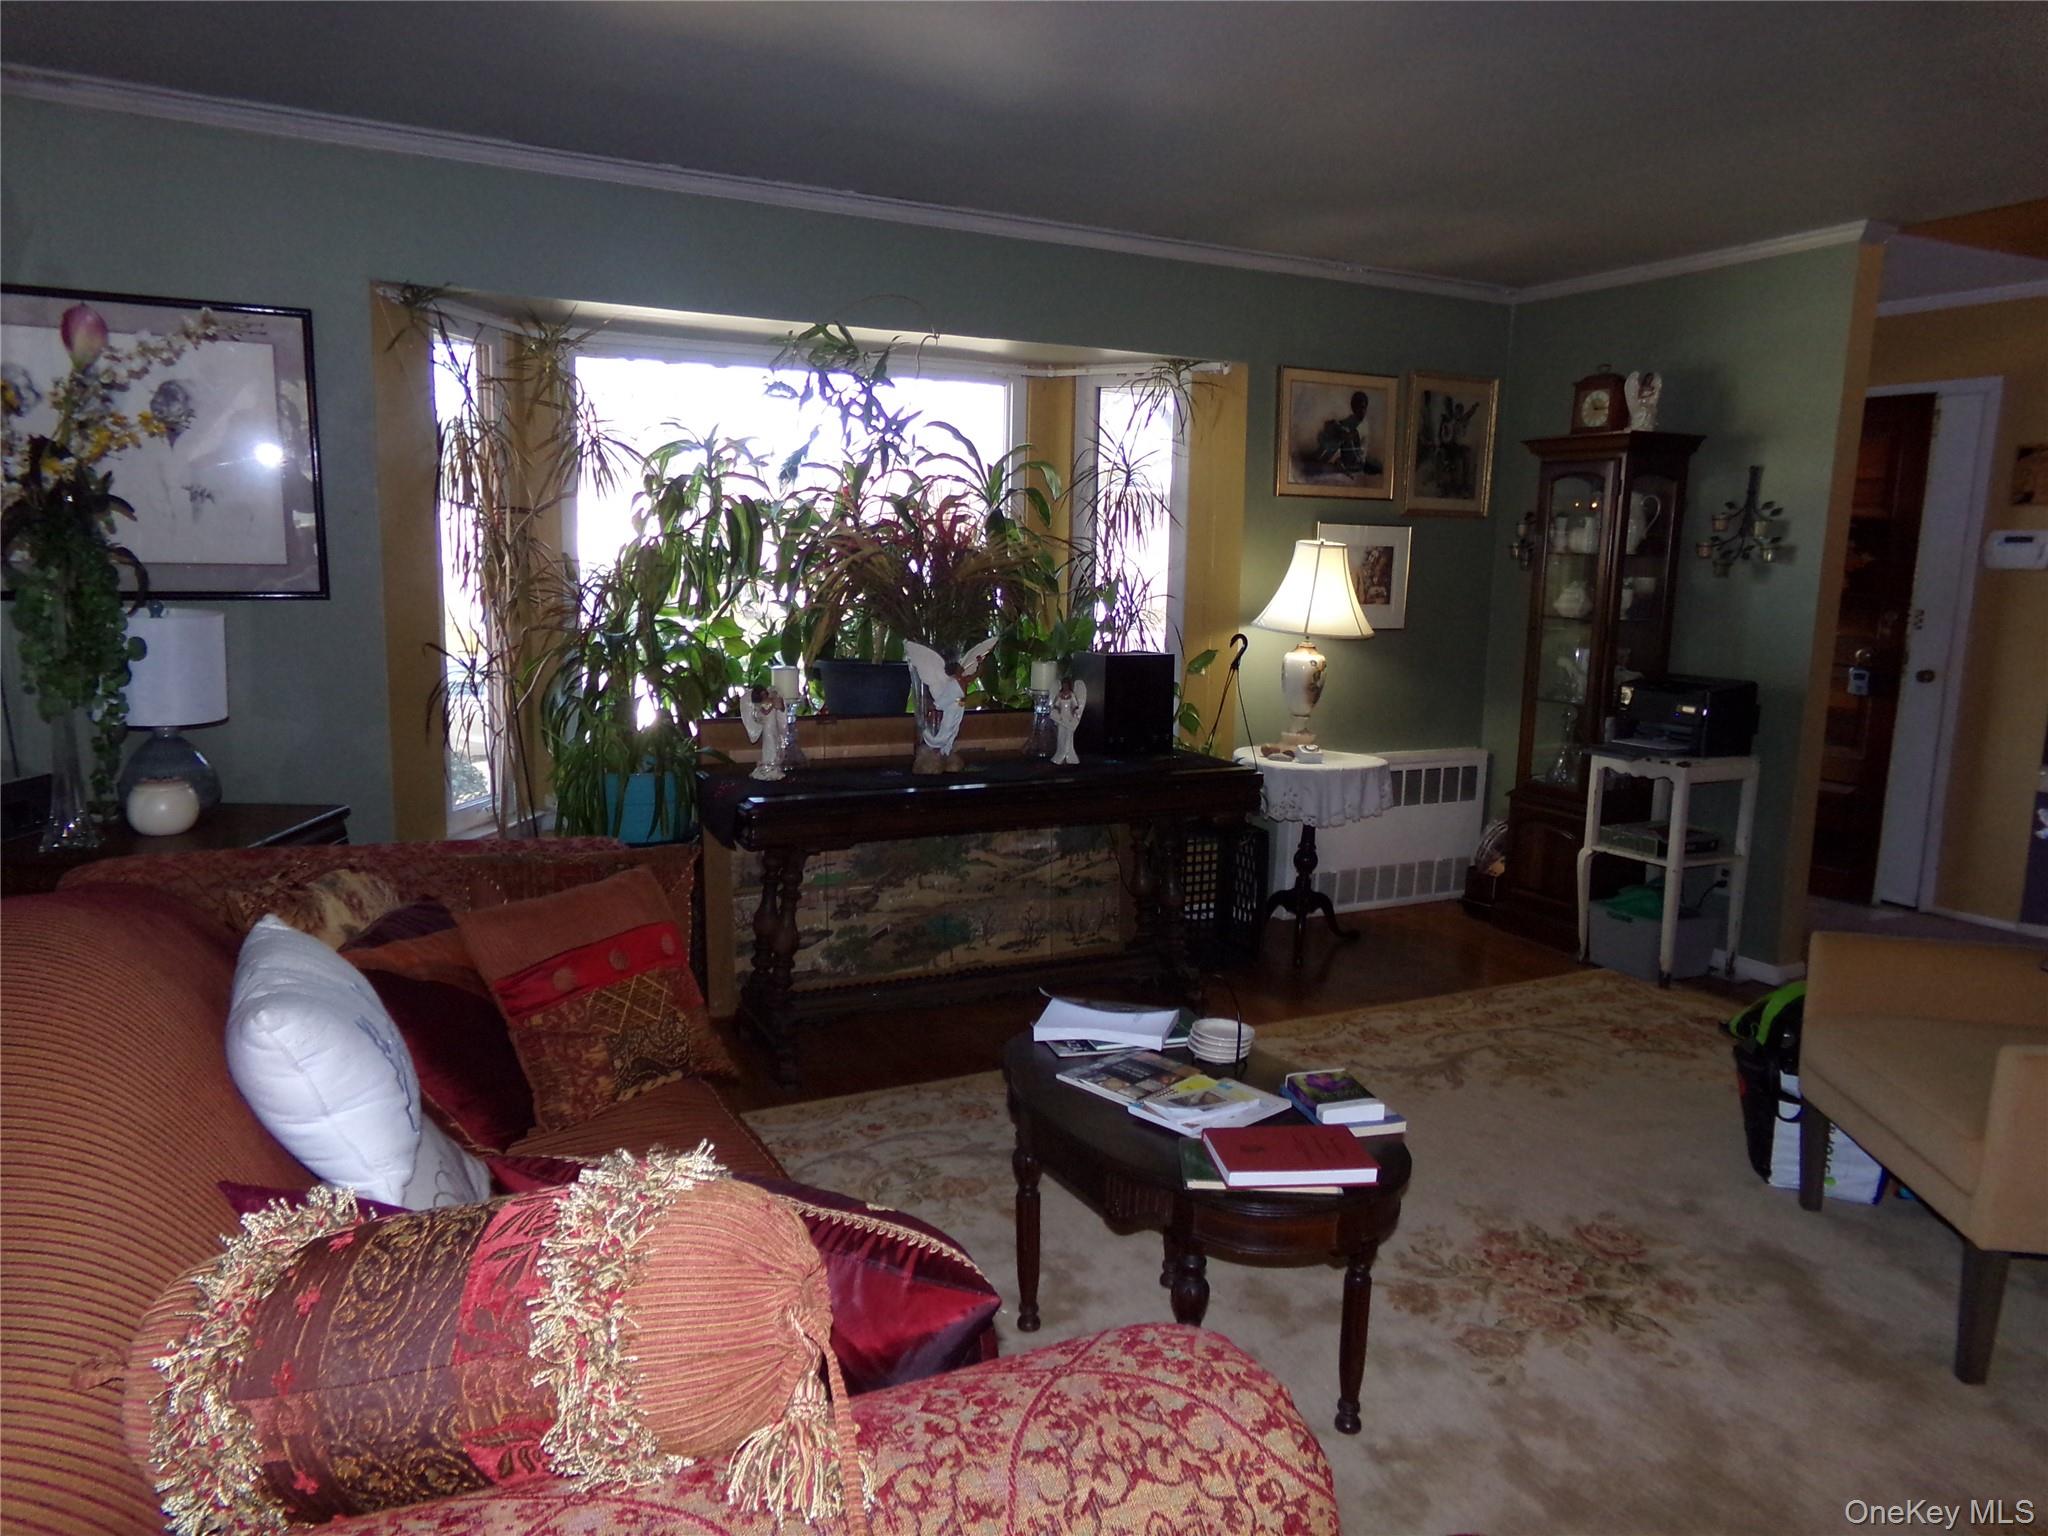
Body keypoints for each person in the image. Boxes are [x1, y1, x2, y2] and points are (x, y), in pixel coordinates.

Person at [1310, 390, 1380, 478]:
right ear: (1353, 408)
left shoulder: (1363, 425)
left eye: (1363, 407)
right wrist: (1332, 423)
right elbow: (1341, 423)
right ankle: (1319, 454)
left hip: (1357, 462)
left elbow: (1350, 435)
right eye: (1358, 408)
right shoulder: (1353, 418)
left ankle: (1321, 458)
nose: (1361, 410)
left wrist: (1339, 427)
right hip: (1347, 457)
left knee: (1343, 433)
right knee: (1336, 429)